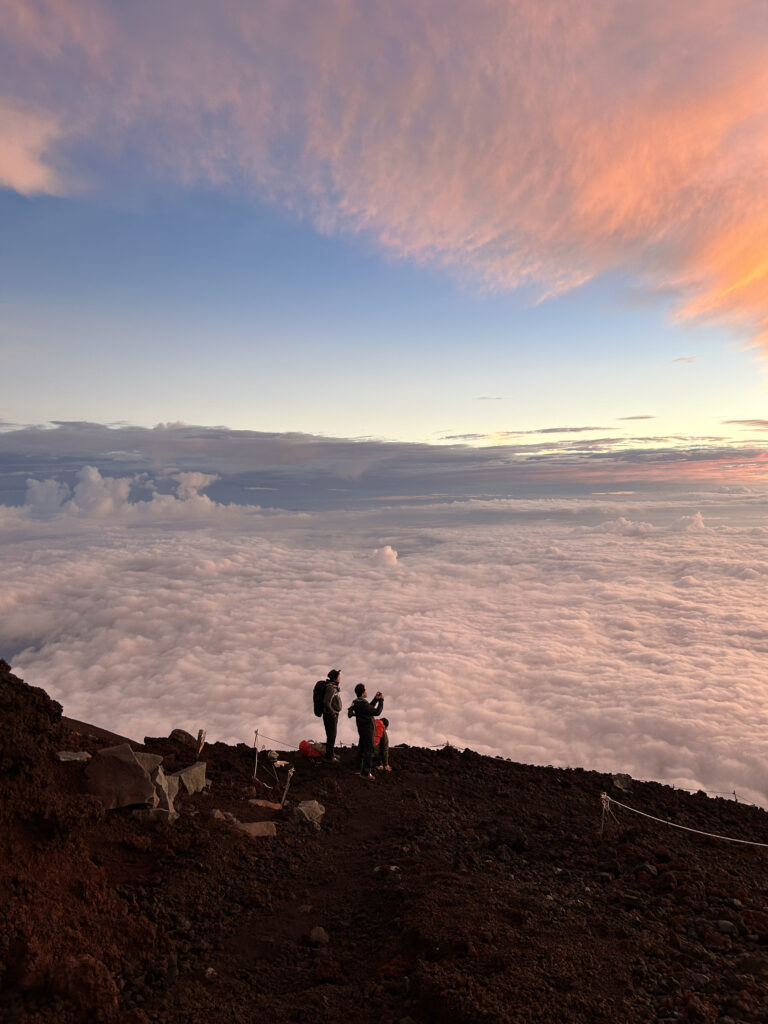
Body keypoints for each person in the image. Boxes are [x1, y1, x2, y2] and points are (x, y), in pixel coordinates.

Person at [347, 684, 384, 780]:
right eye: (366, 690)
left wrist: (375, 699)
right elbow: (376, 712)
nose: (367, 691)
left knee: (361, 749)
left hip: (362, 729)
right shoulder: (363, 704)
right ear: (363, 693)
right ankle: (366, 773)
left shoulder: (356, 702)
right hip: (368, 730)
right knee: (369, 751)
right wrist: (381, 701)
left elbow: (368, 708)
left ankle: (358, 769)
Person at [322, 669, 343, 763]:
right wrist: (333, 713)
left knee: (331, 735)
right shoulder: (331, 688)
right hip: (330, 715)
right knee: (332, 735)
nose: (340, 678)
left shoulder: (332, 686)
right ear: (335, 678)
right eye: (339, 676)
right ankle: (329, 757)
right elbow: (326, 702)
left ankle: (331, 753)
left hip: (331, 715)